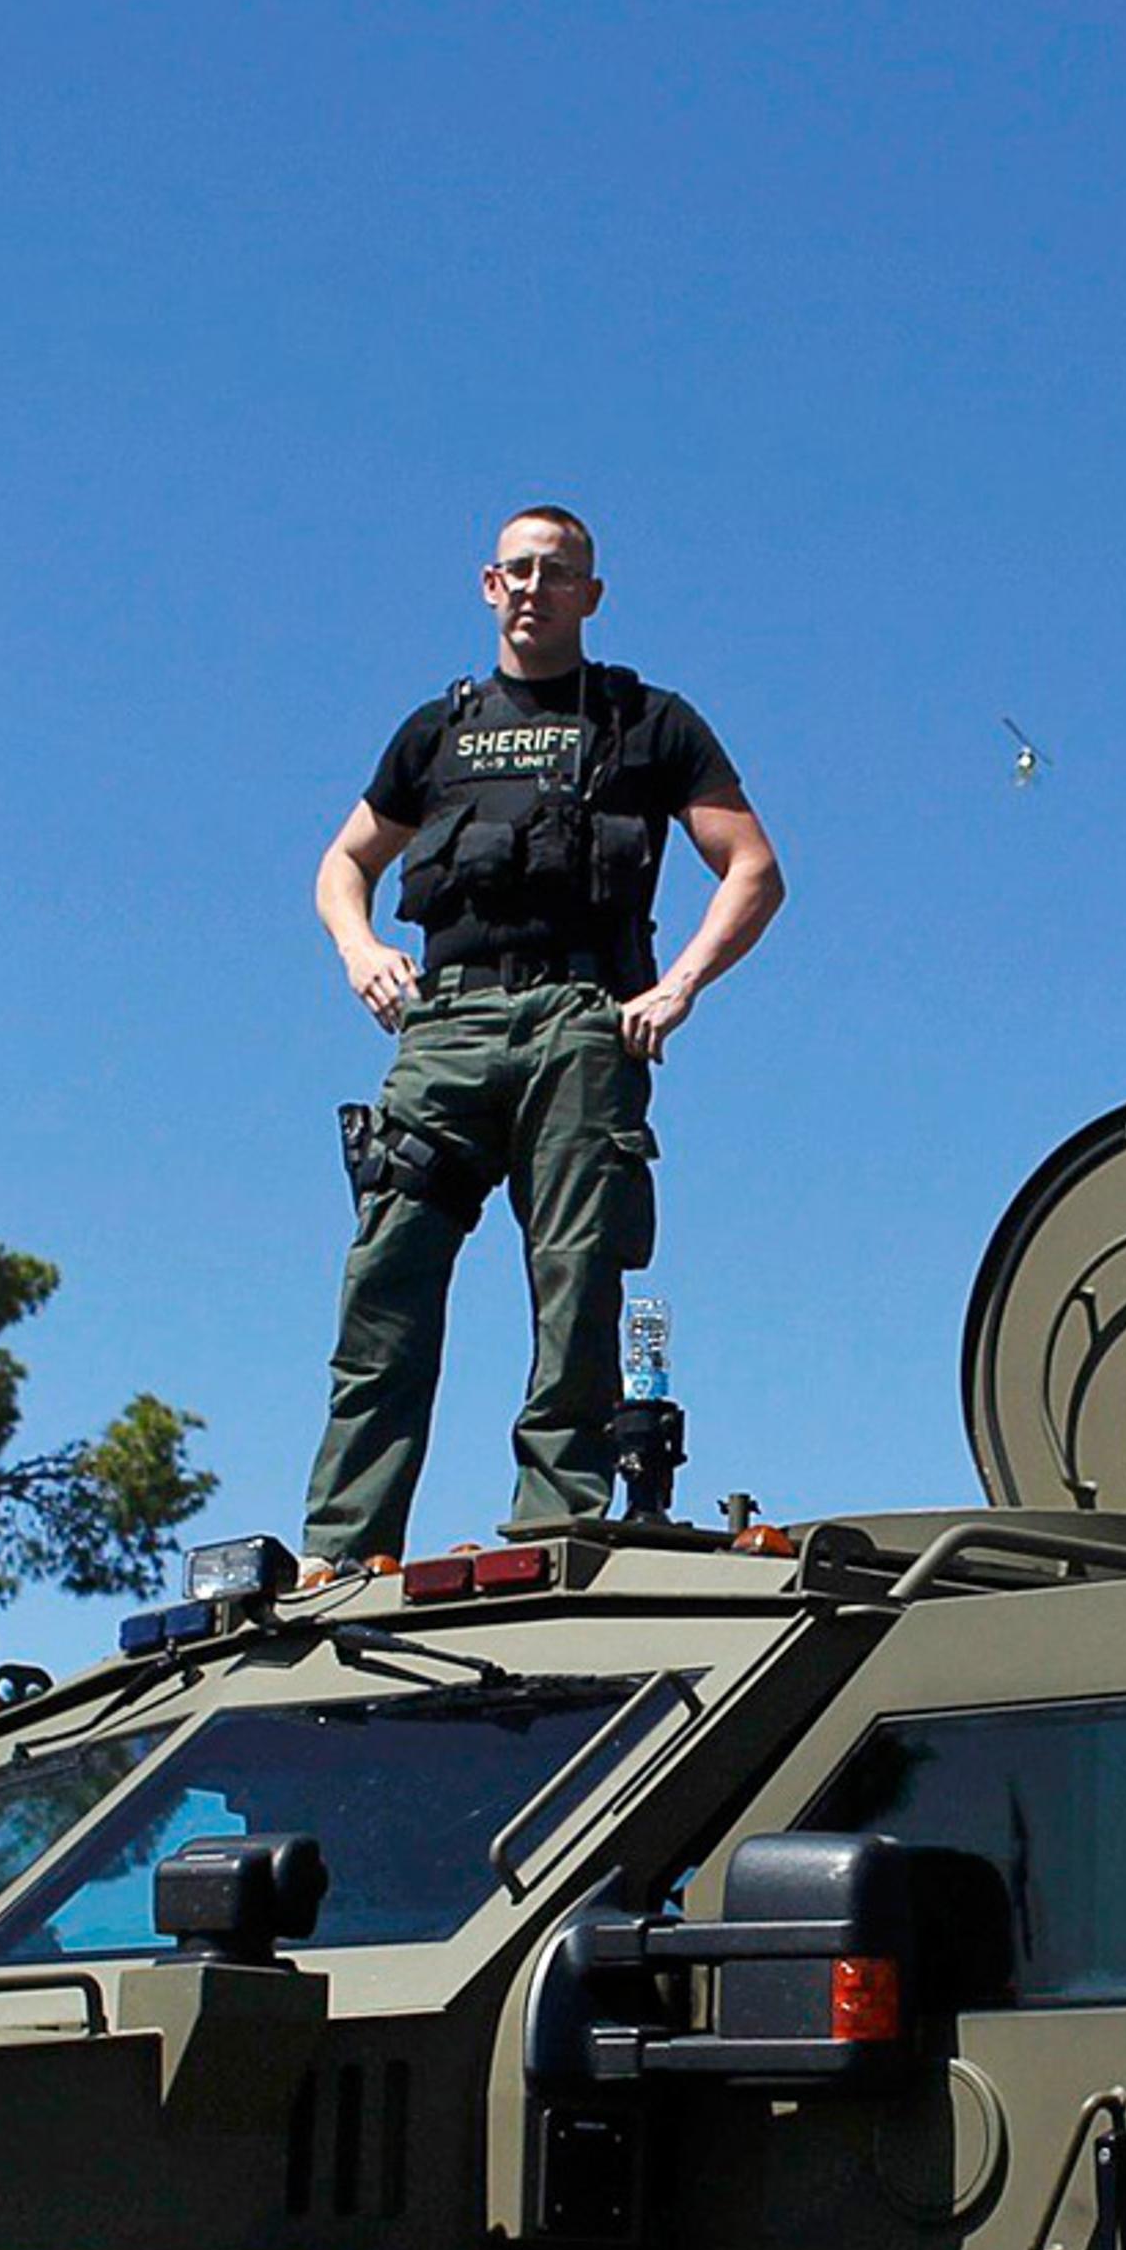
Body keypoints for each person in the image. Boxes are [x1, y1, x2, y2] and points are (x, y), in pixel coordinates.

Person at [298, 505, 784, 1572]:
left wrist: (680, 984)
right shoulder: (439, 729)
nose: (533, 588)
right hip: (448, 1025)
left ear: (590, 596)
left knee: (577, 1278)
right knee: (386, 1278)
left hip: (581, 1021)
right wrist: (359, 949)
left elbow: (753, 867)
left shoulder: (646, 721)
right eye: (516, 571)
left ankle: (554, 1523)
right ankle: (344, 1546)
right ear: (486, 585)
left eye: (557, 573)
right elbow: (344, 864)